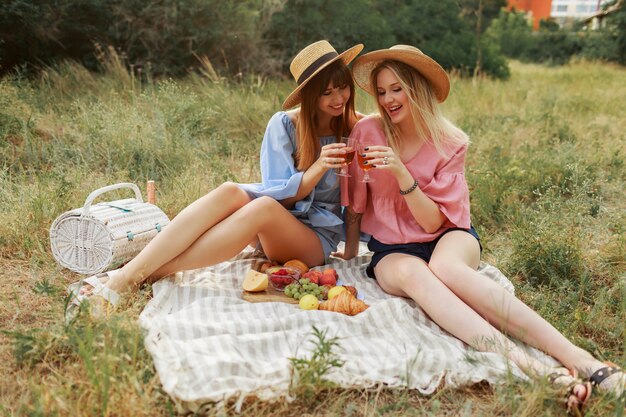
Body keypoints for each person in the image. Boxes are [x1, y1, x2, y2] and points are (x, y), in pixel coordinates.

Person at [336, 44, 625, 413]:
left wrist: (400, 171)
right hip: (394, 249)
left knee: (445, 268)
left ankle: (583, 359)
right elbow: (356, 206)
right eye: (381, 91)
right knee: (417, 276)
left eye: (397, 88)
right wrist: (346, 256)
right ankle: (537, 371)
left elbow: (433, 221)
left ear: (417, 88)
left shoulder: (450, 141)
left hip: (447, 234)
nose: (388, 99)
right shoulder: (368, 131)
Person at [69, 40, 364, 314]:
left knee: (261, 207)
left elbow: (370, 178)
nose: (339, 99)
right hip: (275, 223)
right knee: (230, 191)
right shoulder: (285, 124)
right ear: (311, 95)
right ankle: (133, 273)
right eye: (327, 93)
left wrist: (351, 248)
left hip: (313, 241)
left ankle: (132, 275)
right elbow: (282, 194)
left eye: (343, 88)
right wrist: (318, 167)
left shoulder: (358, 128)